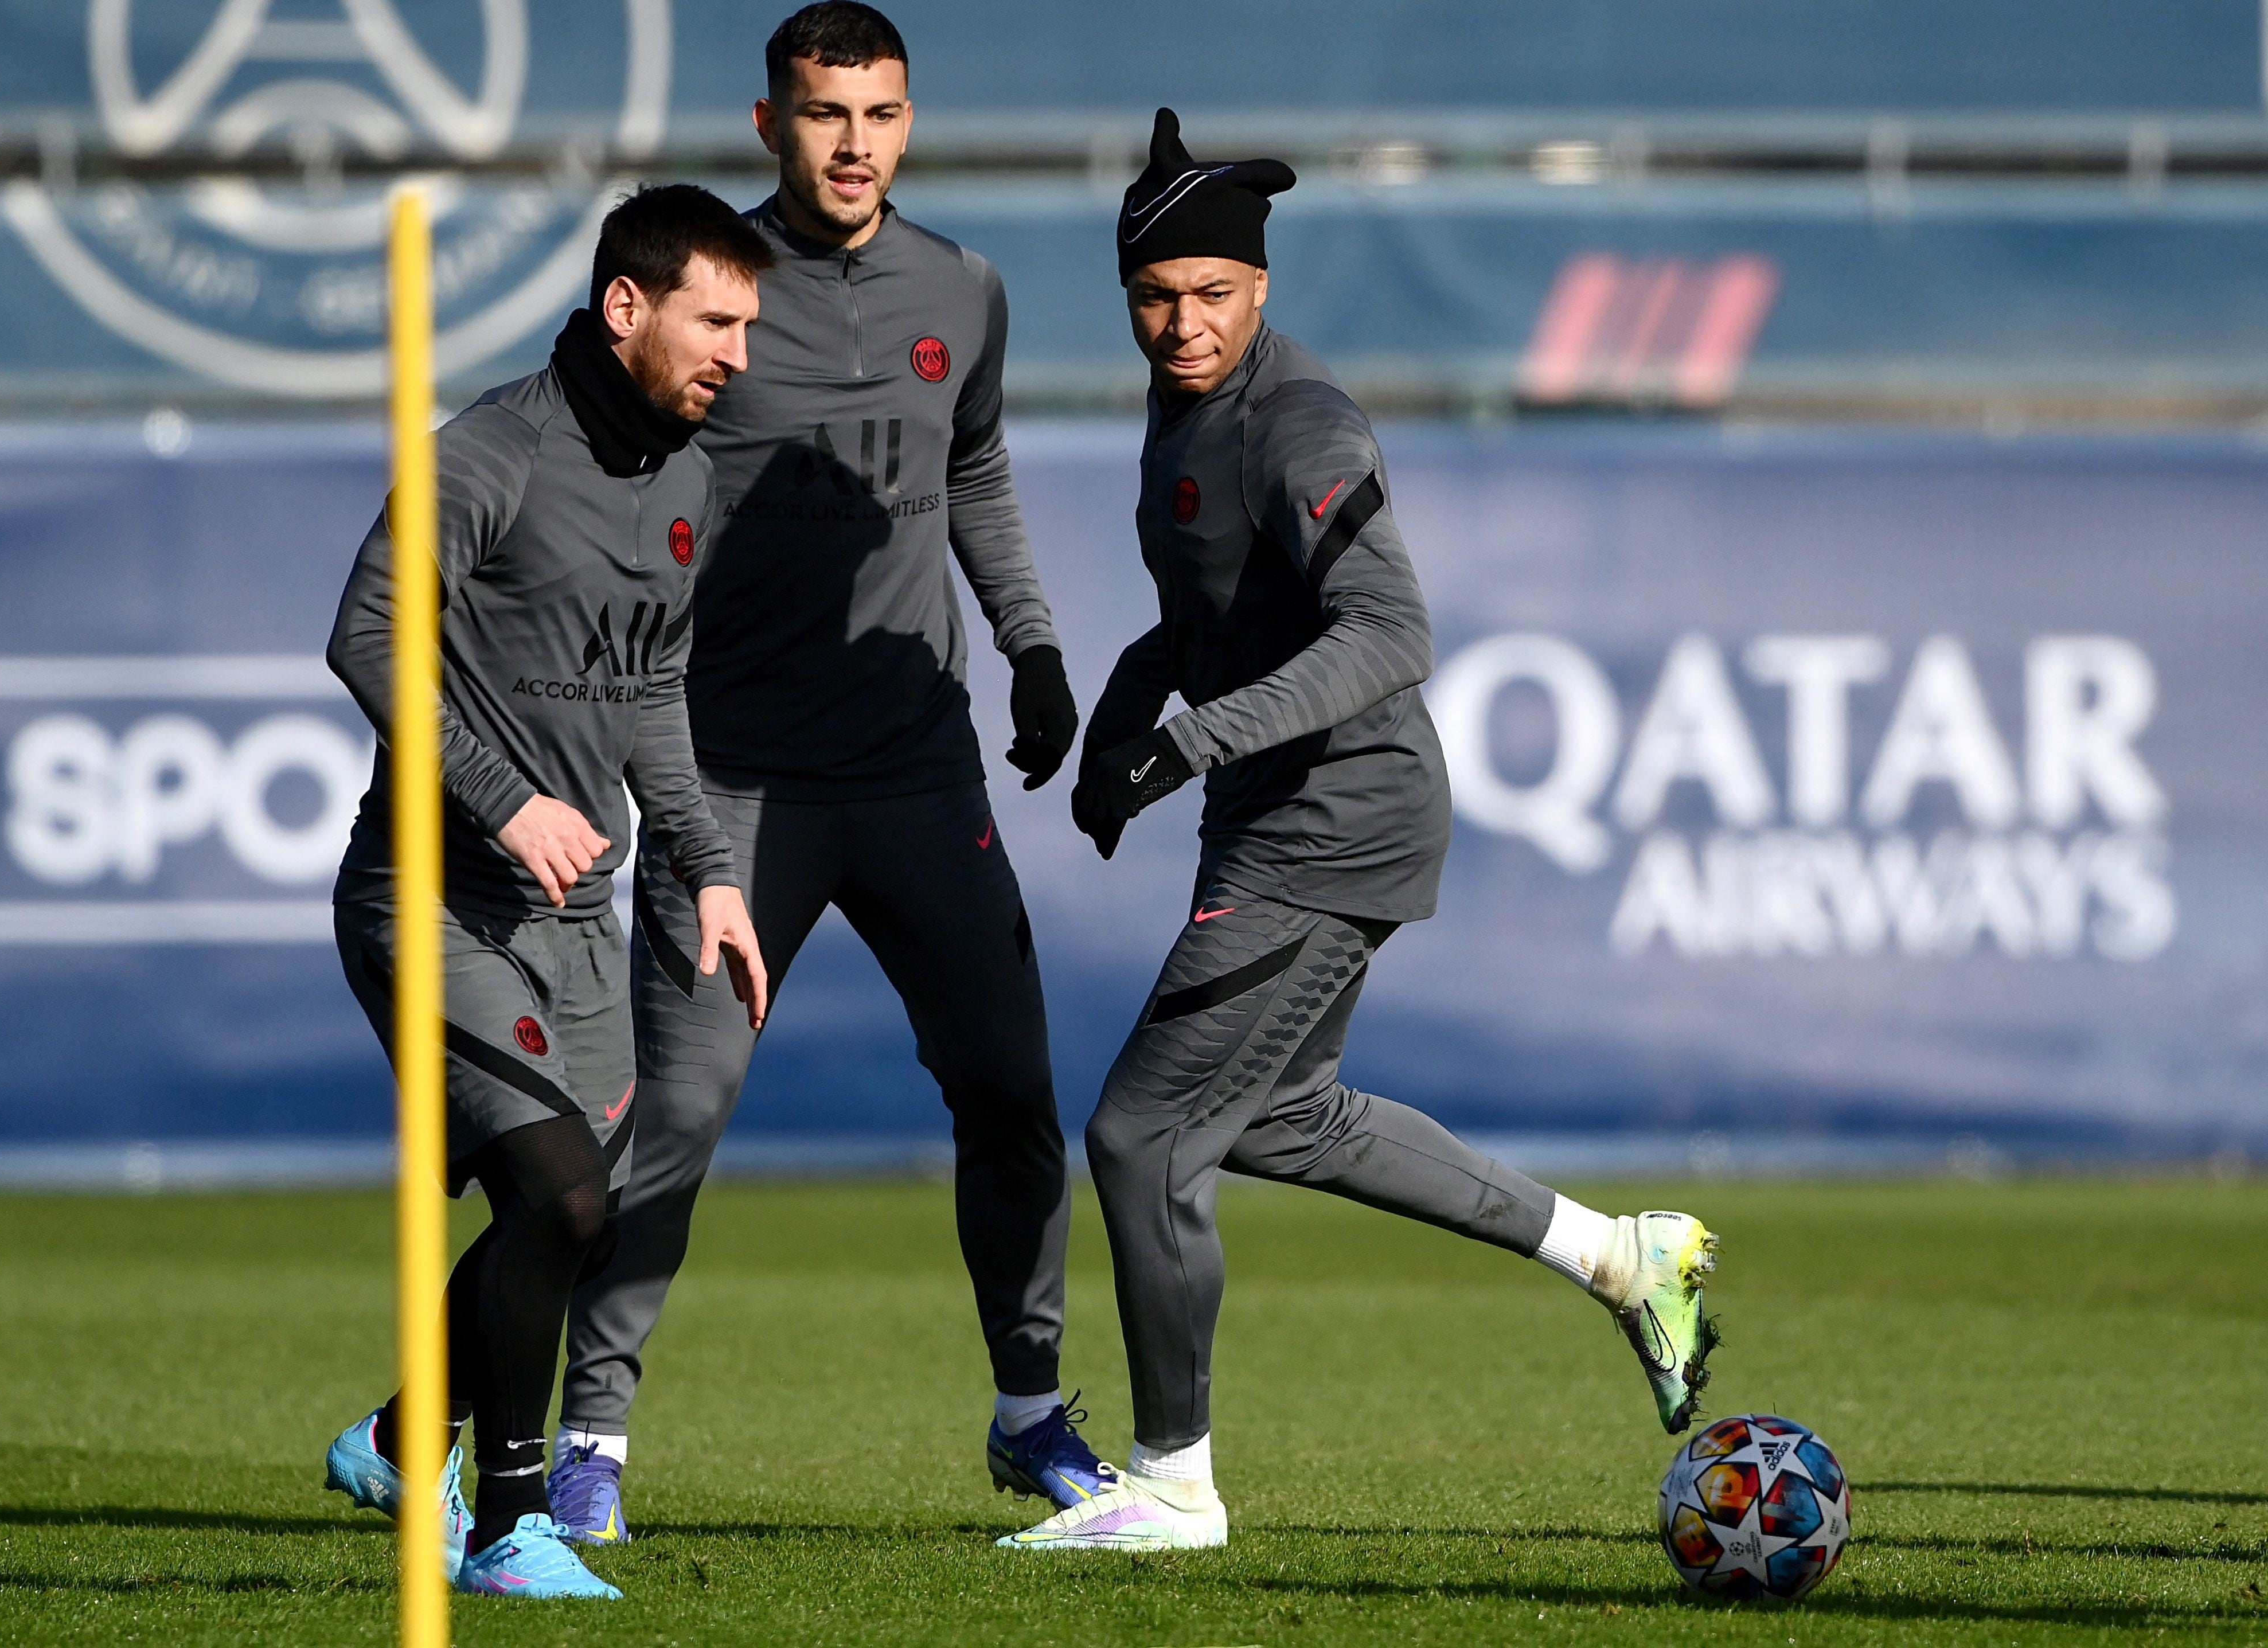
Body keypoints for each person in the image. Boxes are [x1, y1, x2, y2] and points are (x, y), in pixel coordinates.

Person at [999, 112, 1724, 1553]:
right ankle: (1617, 1256)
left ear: (1261, 288)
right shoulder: (1180, 406)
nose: (1183, 321)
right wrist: (1120, 724)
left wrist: (1194, 735)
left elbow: (1391, 631)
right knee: (1282, 1119)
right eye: (1156, 295)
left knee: (1141, 1142)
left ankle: (1171, 1486)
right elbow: (1203, 617)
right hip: (1273, 814)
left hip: (1332, 822)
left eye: (1213, 294)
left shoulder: (1300, 422)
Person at [550, 3, 1108, 1545]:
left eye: (878, 113)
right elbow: (595, 490)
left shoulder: (963, 290)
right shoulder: (703, 295)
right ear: (767, 125)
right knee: (680, 1114)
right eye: (821, 113)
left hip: (919, 775)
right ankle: (591, 1435)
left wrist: (1036, 649)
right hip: (728, 782)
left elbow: (974, 470)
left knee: (1012, 1096)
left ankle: (1030, 1414)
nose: (851, 142)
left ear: (909, 123)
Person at [320, 185, 775, 1599]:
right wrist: (505, 801)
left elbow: (649, 691)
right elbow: (362, 632)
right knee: (565, 1197)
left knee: (566, 1219)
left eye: (750, 328)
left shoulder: (689, 478)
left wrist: (707, 872)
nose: (736, 356)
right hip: (433, 897)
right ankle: (511, 1524)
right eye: (715, 321)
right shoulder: (496, 450)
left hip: (581, 926)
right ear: (626, 306)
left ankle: (401, 1441)